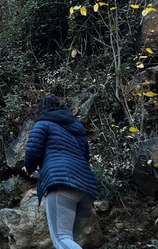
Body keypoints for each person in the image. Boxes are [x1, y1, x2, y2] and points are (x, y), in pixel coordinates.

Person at [24, 96, 99, 249]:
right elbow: (85, 156)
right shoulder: (77, 129)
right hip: (87, 190)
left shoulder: (43, 124)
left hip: (63, 184)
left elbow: (32, 151)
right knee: (69, 240)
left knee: (62, 239)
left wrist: (30, 168)